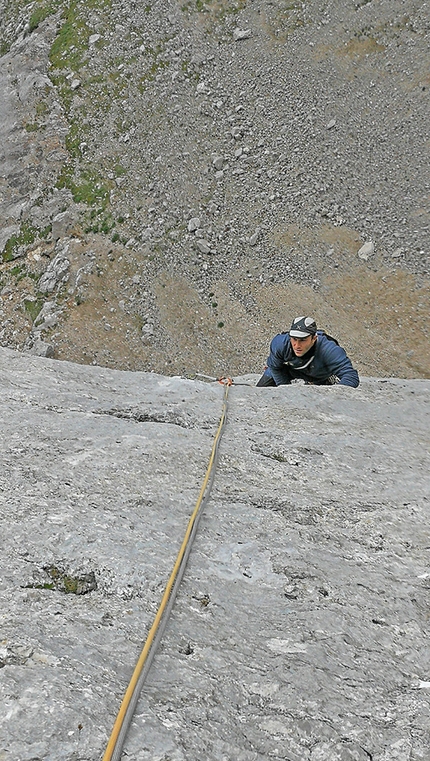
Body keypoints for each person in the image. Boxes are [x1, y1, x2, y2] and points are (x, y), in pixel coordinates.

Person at [257, 316, 359, 388]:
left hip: (319, 376)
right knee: (261, 389)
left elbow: (350, 376)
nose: (297, 345)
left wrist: (333, 395)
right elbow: (275, 367)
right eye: (294, 339)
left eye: (302, 340)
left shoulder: (329, 349)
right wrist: (285, 390)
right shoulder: (280, 344)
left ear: (314, 338)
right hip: (289, 371)